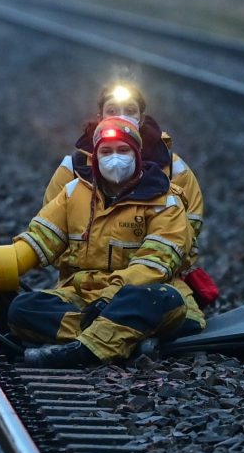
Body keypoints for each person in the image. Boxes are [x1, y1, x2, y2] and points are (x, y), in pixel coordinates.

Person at [1, 116, 204, 368]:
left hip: (140, 294)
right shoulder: (74, 193)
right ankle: (124, 339)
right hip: (87, 298)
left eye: (123, 150)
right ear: (95, 157)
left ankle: (81, 351)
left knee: (157, 300)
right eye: (106, 151)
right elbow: (39, 239)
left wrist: (110, 295)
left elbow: (157, 263)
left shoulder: (166, 201)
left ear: (137, 154)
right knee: (22, 309)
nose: (114, 158)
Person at [43, 79, 216, 303]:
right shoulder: (75, 167)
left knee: (172, 316)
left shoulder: (173, 168)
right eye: (112, 110)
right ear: (99, 118)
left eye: (130, 111)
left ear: (141, 118)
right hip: (82, 283)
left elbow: (188, 230)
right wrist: (92, 267)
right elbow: (50, 228)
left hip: (155, 283)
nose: (121, 116)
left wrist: (148, 268)